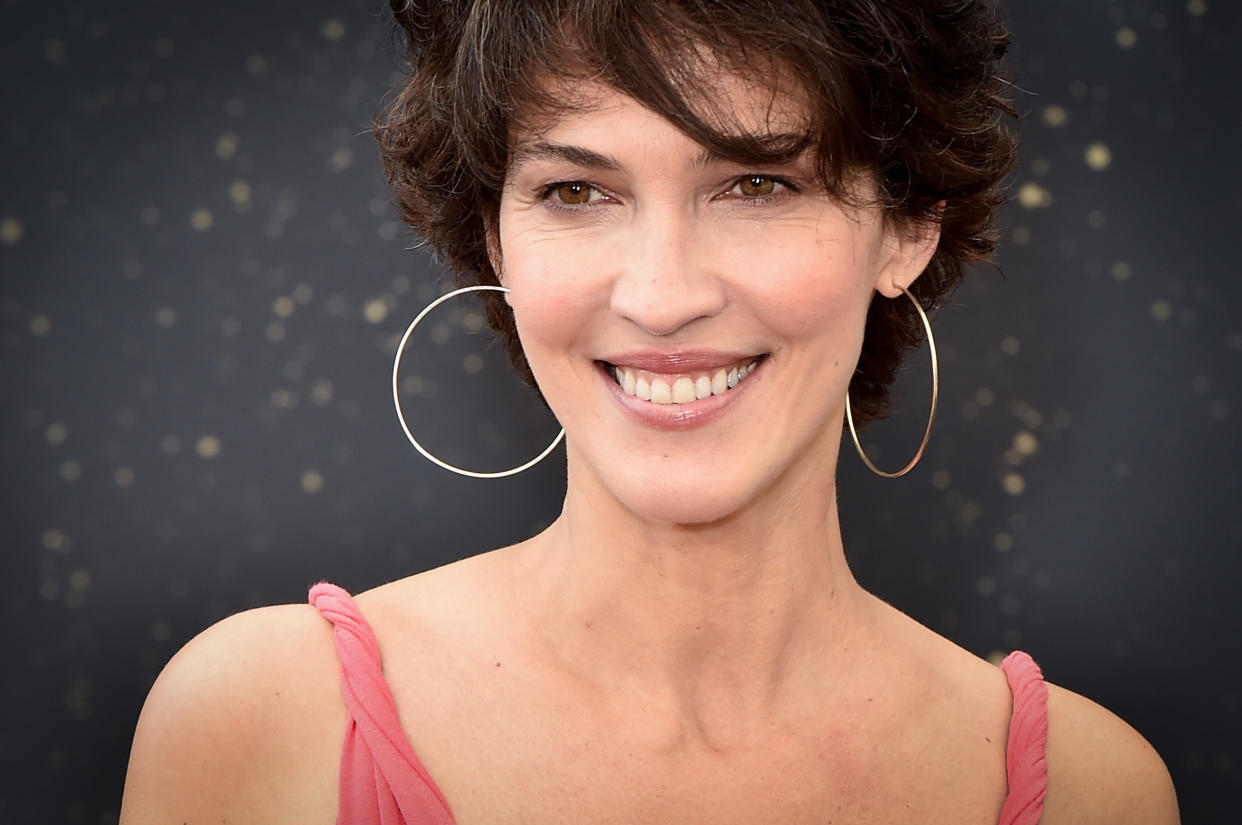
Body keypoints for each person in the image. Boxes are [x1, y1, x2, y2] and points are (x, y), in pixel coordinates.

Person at [120, 1, 1180, 823]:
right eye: (577, 192)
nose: (663, 295)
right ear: (494, 240)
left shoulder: (1098, 791)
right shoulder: (257, 721)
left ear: (907, 225)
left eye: (757, 184)